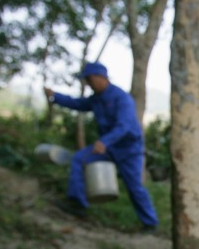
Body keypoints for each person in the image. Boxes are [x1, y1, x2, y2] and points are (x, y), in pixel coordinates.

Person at [43, 62, 158, 231]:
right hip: (108, 148)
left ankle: (150, 223)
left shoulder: (121, 98)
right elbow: (77, 104)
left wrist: (104, 141)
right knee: (79, 159)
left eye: (89, 79)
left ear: (100, 77)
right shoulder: (96, 99)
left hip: (129, 150)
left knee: (135, 187)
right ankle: (78, 204)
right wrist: (55, 96)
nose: (88, 84)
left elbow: (124, 126)